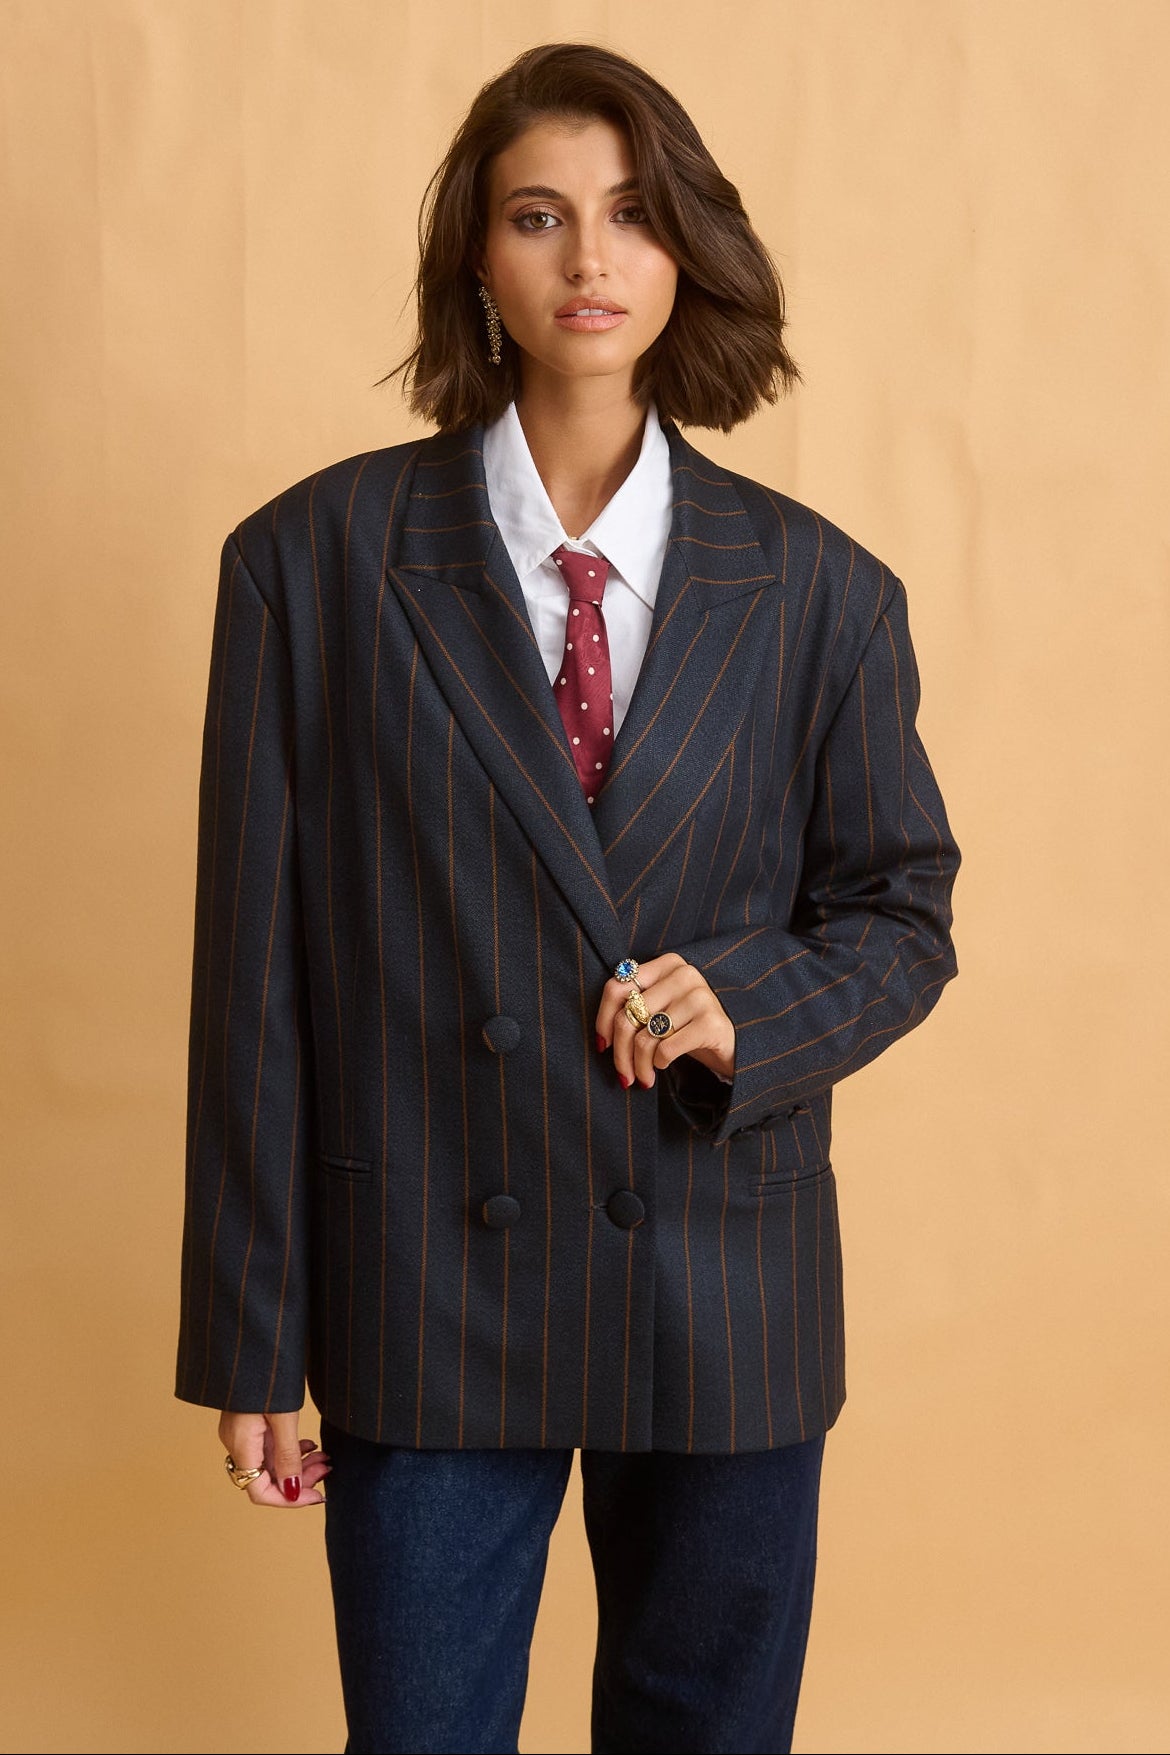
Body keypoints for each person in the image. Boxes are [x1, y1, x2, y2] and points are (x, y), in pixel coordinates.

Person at [176, 41, 960, 1755]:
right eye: (538, 216)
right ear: (476, 254)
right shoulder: (308, 565)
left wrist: (749, 1003)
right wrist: (250, 1336)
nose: (589, 259)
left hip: (725, 1283)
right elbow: (254, 975)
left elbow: (901, 910)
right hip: (423, 1287)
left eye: (632, 215)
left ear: (688, 252)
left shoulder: (822, 591)